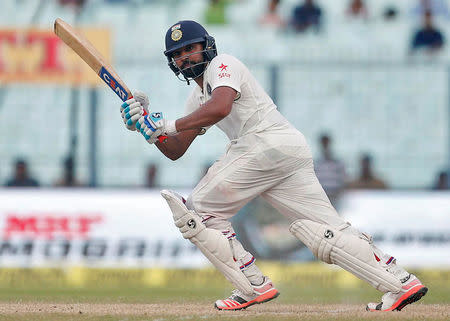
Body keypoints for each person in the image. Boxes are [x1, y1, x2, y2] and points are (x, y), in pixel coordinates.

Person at [119, 20, 427, 311]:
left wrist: (166, 124)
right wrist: (146, 129)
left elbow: (221, 105)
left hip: (263, 144)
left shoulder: (223, 64)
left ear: (206, 47)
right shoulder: (197, 97)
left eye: (190, 49)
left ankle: (253, 285)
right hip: (285, 151)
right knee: (330, 229)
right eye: (178, 55)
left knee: (199, 208)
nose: (186, 58)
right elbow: (175, 149)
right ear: (172, 63)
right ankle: (400, 283)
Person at [314, 134, 346, 208]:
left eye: (326, 143)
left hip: (335, 198)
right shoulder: (315, 164)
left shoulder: (338, 163)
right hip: (321, 199)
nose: (325, 146)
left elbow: (343, 180)